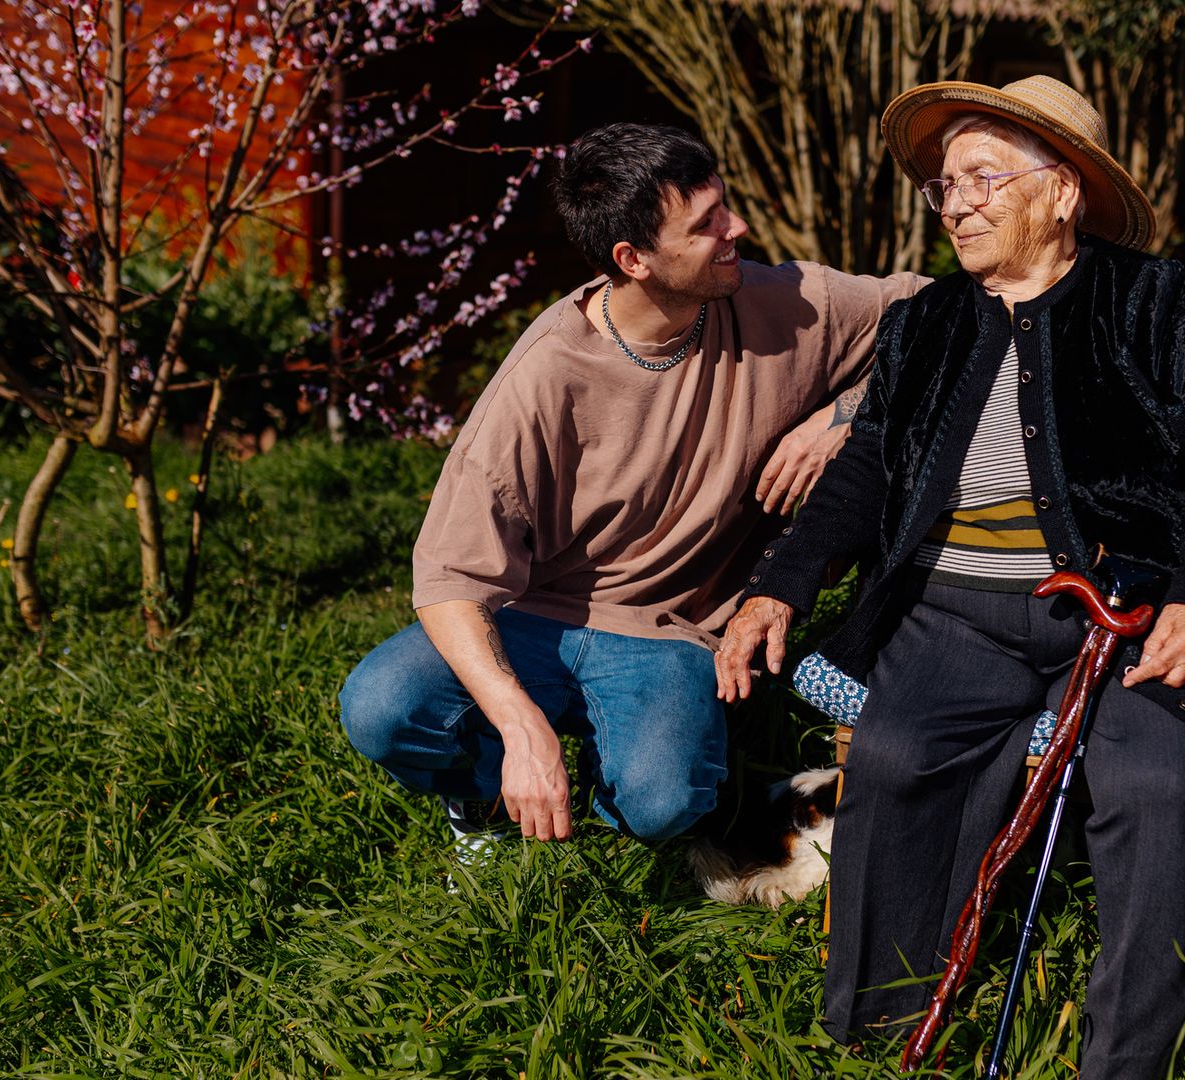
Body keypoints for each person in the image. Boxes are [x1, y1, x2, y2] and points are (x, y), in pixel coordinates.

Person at [715, 77, 1185, 1076]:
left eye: (980, 178)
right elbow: (866, 470)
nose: (956, 202)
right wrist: (779, 585)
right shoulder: (926, 323)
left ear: (1061, 192)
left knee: (1155, 778)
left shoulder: (1151, 303)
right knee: (894, 758)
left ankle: (1127, 1059)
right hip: (950, 612)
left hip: (1124, 608)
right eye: (944, 186)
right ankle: (881, 1030)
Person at [338, 123, 925, 848]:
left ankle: (597, 804)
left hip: (673, 633)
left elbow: (939, 315)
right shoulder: (544, 378)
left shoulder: (786, 303)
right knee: (381, 706)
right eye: (706, 223)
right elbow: (449, 579)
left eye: (724, 206)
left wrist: (840, 418)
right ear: (634, 258)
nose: (736, 227)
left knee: (664, 803)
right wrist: (521, 729)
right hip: (537, 617)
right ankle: (488, 797)